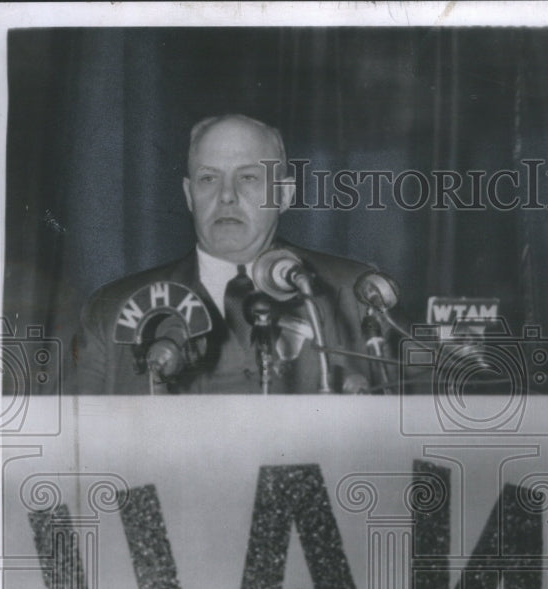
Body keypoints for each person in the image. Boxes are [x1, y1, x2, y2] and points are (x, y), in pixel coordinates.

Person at [74, 114, 384, 394]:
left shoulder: (357, 295)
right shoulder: (112, 310)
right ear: (188, 195)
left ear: (285, 195)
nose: (226, 195)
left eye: (248, 177)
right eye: (208, 178)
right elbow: (72, 446)